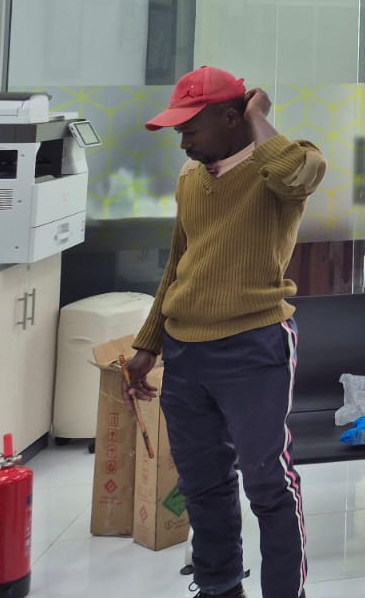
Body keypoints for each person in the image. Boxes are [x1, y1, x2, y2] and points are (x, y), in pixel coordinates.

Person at [123, 66, 326, 598]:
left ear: (233, 118)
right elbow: (178, 263)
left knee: (267, 482)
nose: (182, 140)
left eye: (190, 128)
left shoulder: (280, 168)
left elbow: (299, 174)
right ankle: (219, 588)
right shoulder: (191, 178)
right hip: (185, 353)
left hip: (253, 347)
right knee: (203, 484)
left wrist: (259, 115)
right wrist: (149, 343)